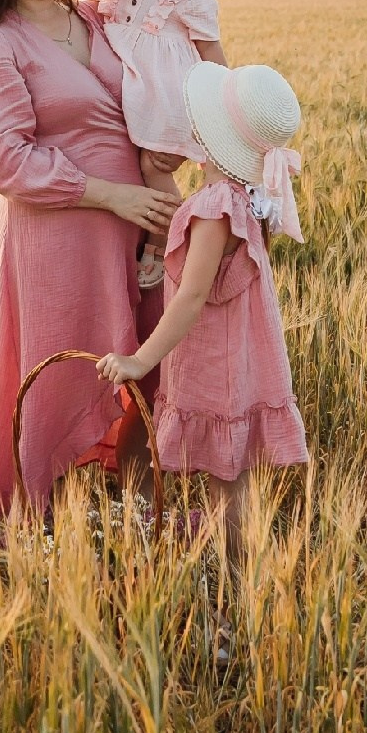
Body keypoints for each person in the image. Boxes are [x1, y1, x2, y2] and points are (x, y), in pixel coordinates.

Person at [0, 0, 181, 516]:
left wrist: (166, 150)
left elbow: (148, 89)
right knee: (59, 373)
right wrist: (111, 196)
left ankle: (137, 510)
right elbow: (7, 162)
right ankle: (38, 519)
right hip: (60, 234)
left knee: (143, 369)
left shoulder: (96, 16)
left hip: (136, 224)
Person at [97, 61, 310, 559]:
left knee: (228, 485)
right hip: (242, 362)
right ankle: (243, 582)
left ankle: (236, 589)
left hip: (217, 367)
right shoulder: (245, 198)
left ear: (207, 135)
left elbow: (193, 296)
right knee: (233, 483)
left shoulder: (215, 206)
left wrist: (139, 361)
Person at [84, 0, 229, 289]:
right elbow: (92, 17)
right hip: (131, 92)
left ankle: (162, 239)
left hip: (167, 99)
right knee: (127, 162)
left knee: (154, 165)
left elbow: (210, 52)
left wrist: (222, 106)